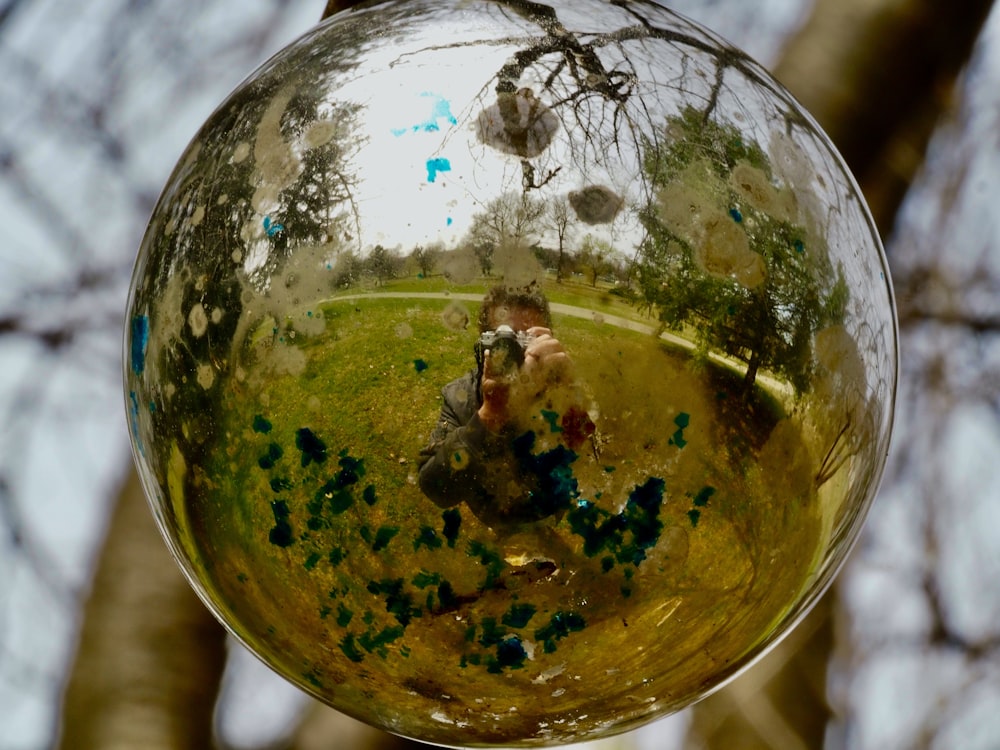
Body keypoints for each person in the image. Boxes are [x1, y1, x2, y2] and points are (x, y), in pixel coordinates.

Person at [418, 285, 595, 529]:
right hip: (492, 515)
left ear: (546, 340)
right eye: (504, 339)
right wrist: (490, 413)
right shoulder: (462, 397)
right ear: (484, 343)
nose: (515, 352)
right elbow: (436, 489)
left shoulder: (556, 390)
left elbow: (584, 457)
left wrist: (568, 393)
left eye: (525, 340)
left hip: (544, 511)